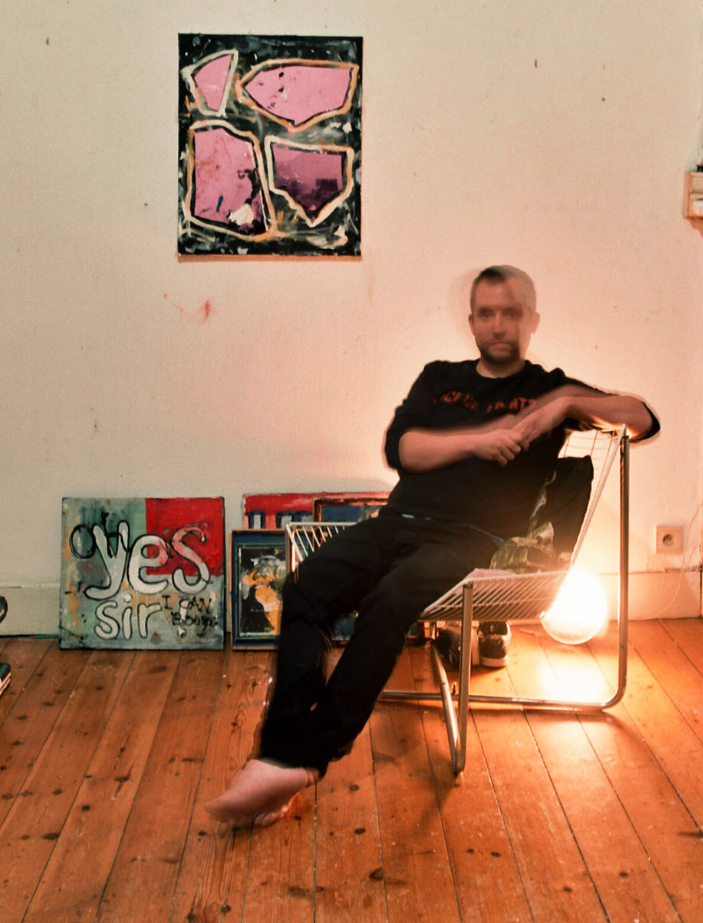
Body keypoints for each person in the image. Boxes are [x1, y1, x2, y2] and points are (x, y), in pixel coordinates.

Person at [207, 265, 658, 827]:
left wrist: (565, 403)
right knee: (306, 586)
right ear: (471, 322)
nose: (498, 325)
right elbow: (403, 449)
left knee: (390, 600)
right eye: (487, 313)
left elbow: (643, 420)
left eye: (511, 313)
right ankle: (279, 758)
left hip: (475, 540)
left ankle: (301, 759)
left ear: (532, 319)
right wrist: (480, 440)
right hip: (397, 523)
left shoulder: (549, 387)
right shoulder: (441, 377)